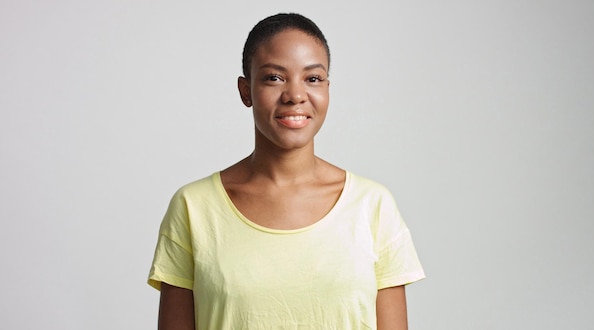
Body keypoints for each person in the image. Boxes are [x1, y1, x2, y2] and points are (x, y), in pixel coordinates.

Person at [148, 13, 425, 329]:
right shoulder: (193, 207)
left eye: (313, 79)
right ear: (245, 91)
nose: (295, 95)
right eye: (274, 78)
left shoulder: (373, 206)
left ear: (327, 89)